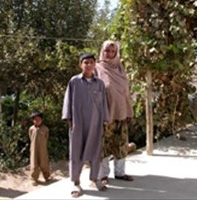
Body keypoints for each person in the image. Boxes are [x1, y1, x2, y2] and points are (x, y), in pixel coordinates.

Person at [62, 52, 109, 198]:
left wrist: (105, 120)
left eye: (91, 62)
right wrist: (69, 119)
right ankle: (75, 182)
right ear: (80, 64)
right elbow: (68, 101)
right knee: (76, 153)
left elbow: (104, 104)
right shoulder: (74, 81)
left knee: (96, 152)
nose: (88, 65)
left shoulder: (99, 83)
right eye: (85, 62)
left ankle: (94, 180)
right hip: (78, 123)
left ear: (95, 64)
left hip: (95, 124)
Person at [95, 40, 134, 185]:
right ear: (102, 51)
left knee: (121, 143)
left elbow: (126, 93)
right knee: (104, 145)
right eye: (107, 51)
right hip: (105, 115)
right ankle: (103, 174)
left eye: (113, 51)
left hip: (122, 113)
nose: (110, 54)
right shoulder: (97, 68)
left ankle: (120, 173)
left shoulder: (120, 68)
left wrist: (129, 111)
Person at [29, 111, 51, 186]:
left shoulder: (45, 129)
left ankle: (47, 176)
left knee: (44, 162)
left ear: (42, 119)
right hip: (34, 149)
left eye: (39, 119)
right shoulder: (31, 129)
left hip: (43, 149)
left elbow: (47, 137)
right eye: (35, 119)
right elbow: (30, 137)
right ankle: (34, 179)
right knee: (34, 164)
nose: (37, 121)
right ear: (32, 120)